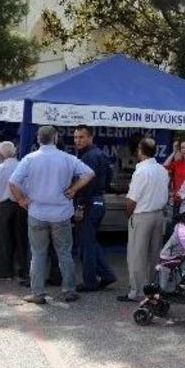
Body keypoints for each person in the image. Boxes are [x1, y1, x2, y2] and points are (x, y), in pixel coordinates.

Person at [9, 126, 95, 304]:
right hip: (61, 214)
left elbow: (13, 182)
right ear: (55, 138)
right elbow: (89, 173)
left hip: (37, 212)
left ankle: (38, 293)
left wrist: (21, 200)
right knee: (64, 253)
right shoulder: (67, 158)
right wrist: (74, 188)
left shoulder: (29, 159)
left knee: (38, 254)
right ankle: (69, 290)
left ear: (39, 139)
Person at [120, 138, 170, 302]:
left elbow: (131, 200)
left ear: (140, 151)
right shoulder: (162, 170)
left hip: (142, 215)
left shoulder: (141, 171)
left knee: (136, 256)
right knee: (154, 255)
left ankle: (136, 292)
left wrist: (130, 215)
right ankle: (152, 287)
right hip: (158, 215)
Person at [69, 125, 117, 292]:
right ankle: (107, 274)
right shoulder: (99, 155)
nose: (77, 141)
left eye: (81, 137)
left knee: (86, 245)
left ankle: (90, 281)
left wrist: (80, 207)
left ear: (91, 138)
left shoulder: (89, 156)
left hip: (89, 202)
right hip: (98, 201)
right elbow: (110, 178)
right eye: (75, 137)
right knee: (90, 241)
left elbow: (87, 184)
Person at [0, 141, 28, 280]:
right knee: (22, 238)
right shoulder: (23, 166)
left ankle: (6, 271)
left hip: (3, 206)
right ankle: (24, 269)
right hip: (21, 206)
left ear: (1, 154)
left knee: (3, 239)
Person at [164, 140, 185, 218]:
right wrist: (174, 152)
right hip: (177, 200)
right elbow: (165, 166)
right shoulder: (178, 163)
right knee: (175, 225)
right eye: (182, 148)